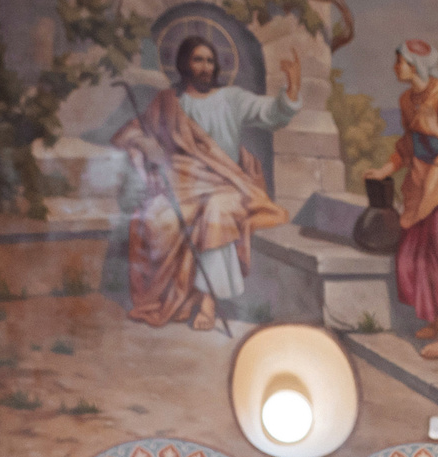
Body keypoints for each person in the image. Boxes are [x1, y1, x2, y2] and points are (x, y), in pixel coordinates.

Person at [115, 34, 302, 333]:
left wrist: (291, 89)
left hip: (226, 184)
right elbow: (134, 132)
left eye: (210, 61)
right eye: (198, 59)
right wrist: (145, 145)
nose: (204, 67)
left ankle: (207, 302)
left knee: (217, 210)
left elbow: (271, 114)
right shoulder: (169, 102)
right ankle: (171, 296)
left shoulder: (232, 98)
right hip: (183, 185)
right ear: (185, 64)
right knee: (156, 219)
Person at [366, 40, 438, 361]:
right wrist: (385, 169)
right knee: (413, 257)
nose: (395, 67)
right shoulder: (407, 99)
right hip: (419, 187)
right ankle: (435, 318)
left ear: (416, 65)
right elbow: (407, 144)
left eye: (400, 61)